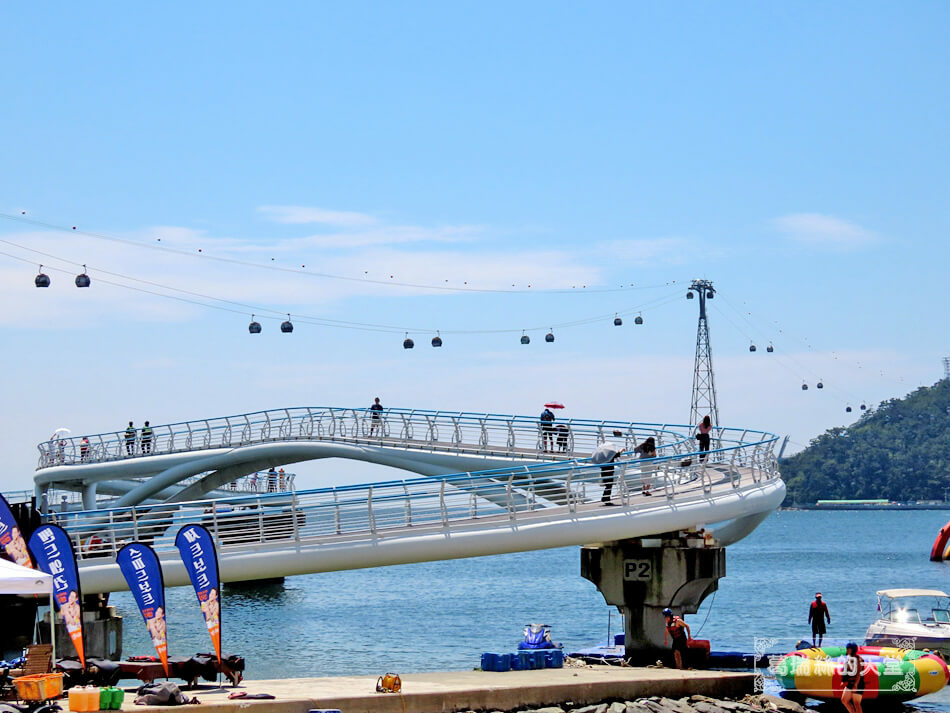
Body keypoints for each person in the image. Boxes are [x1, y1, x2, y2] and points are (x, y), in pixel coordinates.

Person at [591, 438, 624, 505]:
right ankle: (605, 499)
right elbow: (617, 454)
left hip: (603, 472)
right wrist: (622, 450)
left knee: (608, 485)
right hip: (609, 471)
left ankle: (605, 498)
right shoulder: (609, 455)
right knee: (609, 485)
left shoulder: (602, 458)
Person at [840, 642, 865, 713]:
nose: (847, 650)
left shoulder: (859, 660)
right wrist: (843, 681)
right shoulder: (849, 660)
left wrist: (856, 684)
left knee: (856, 703)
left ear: (853, 650)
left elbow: (858, 674)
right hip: (850, 683)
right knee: (844, 700)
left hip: (858, 683)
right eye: (847, 649)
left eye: (848, 649)